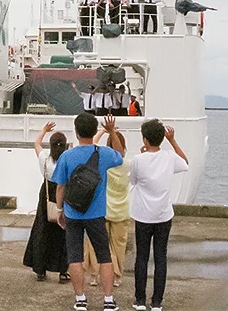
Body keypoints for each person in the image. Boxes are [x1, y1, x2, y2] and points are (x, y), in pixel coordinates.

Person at [51, 113, 124, 311]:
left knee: (75, 256)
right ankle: (108, 300)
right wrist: (111, 132)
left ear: (76, 131)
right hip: (96, 213)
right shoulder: (104, 154)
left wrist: (60, 210)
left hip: (73, 213)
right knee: (104, 256)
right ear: (94, 131)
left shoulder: (67, 155)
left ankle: (81, 299)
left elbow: (60, 186)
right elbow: (121, 155)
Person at [129, 119, 189, 311]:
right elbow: (185, 163)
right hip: (163, 215)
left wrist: (143, 156)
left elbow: (134, 181)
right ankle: (156, 302)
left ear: (144, 139)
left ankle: (140, 300)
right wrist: (172, 141)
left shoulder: (139, 160)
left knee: (142, 257)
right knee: (161, 257)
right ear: (162, 138)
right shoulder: (169, 158)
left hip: (143, 215)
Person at [24, 122, 70, 283]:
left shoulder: (45, 158)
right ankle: (63, 271)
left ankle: (40, 269)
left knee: (42, 230)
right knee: (63, 233)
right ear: (65, 146)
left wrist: (44, 130)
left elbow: (36, 143)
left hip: (46, 195)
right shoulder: (68, 159)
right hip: (63, 194)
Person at [84, 127, 129, 289]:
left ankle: (95, 275)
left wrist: (104, 131)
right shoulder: (127, 165)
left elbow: (92, 144)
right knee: (119, 245)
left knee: (96, 244)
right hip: (122, 210)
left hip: (101, 208)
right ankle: (117, 276)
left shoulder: (103, 163)